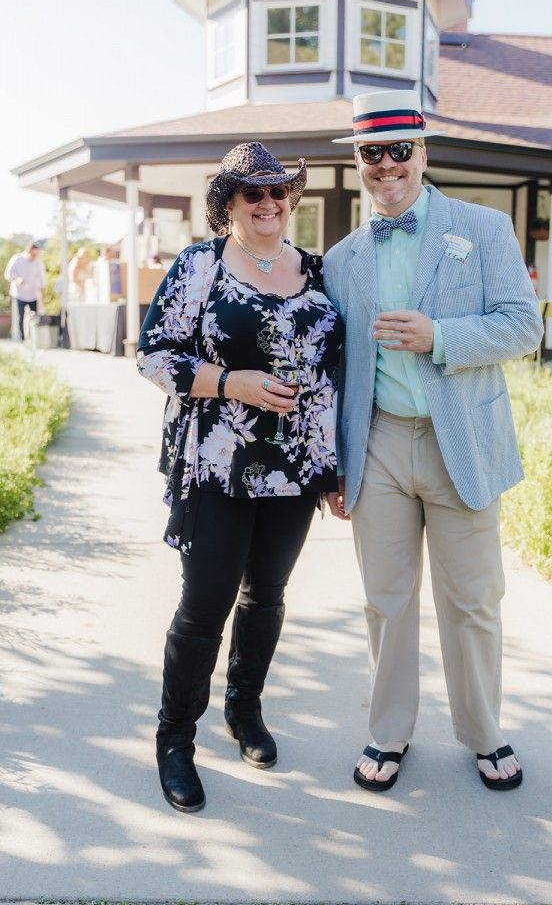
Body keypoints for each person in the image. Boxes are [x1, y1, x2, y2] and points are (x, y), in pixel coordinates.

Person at [323, 90, 544, 793]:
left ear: (422, 152)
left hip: (461, 441)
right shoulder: (341, 258)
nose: (386, 166)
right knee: (385, 599)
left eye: (400, 150)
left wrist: (440, 337)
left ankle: (484, 732)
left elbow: (523, 325)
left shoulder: (483, 227)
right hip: (380, 443)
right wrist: (335, 462)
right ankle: (389, 731)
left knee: (473, 598)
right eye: (372, 153)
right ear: (359, 160)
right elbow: (339, 370)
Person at [137, 141, 343, 813]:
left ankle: (244, 708)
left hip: (296, 469)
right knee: (205, 605)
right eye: (253, 192)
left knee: (267, 597)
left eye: (279, 191)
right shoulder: (200, 265)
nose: (268, 202)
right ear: (229, 203)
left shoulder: (315, 270)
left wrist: (333, 467)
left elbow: (333, 375)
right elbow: (153, 355)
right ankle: (175, 739)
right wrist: (233, 383)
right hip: (217, 464)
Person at [4, 240, 46, 340]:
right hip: (19, 294)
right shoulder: (17, 259)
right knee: (20, 317)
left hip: (33, 294)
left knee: (34, 316)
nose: (35, 256)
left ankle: (33, 337)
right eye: (33, 254)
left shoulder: (38, 263)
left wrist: (42, 297)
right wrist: (17, 280)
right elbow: (8, 274)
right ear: (28, 251)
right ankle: (21, 338)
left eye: (36, 254)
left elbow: (42, 281)